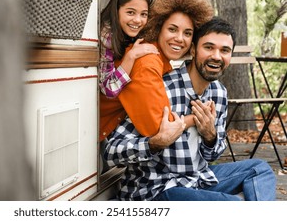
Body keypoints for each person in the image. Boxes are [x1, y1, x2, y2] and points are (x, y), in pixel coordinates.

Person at [103, 17, 277, 201]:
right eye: (208, 47)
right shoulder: (161, 89)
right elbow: (111, 152)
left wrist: (210, 136)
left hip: (197, 178)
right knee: (232, 205)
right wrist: (154, 143)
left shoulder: (218, 93)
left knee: (261, 170)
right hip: (156, 189)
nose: (216, 56)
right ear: (193, 49)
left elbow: (213, 154)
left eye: (224, 50)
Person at [99, 0, 214, 141]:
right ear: (158, 28)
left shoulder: (159, 59)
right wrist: (198, 118)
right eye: (172, 29)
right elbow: (158, 128)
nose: (180, 39)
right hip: (97, 138)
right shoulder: (147, 62)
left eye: (187, 33)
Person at [99, 0, 159, 99]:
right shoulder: (106, 35)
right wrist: (131, 56)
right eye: (130, 12)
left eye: (143, 14)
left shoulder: (134, 32)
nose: (138, 20)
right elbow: (108, 89)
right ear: (116, 11)